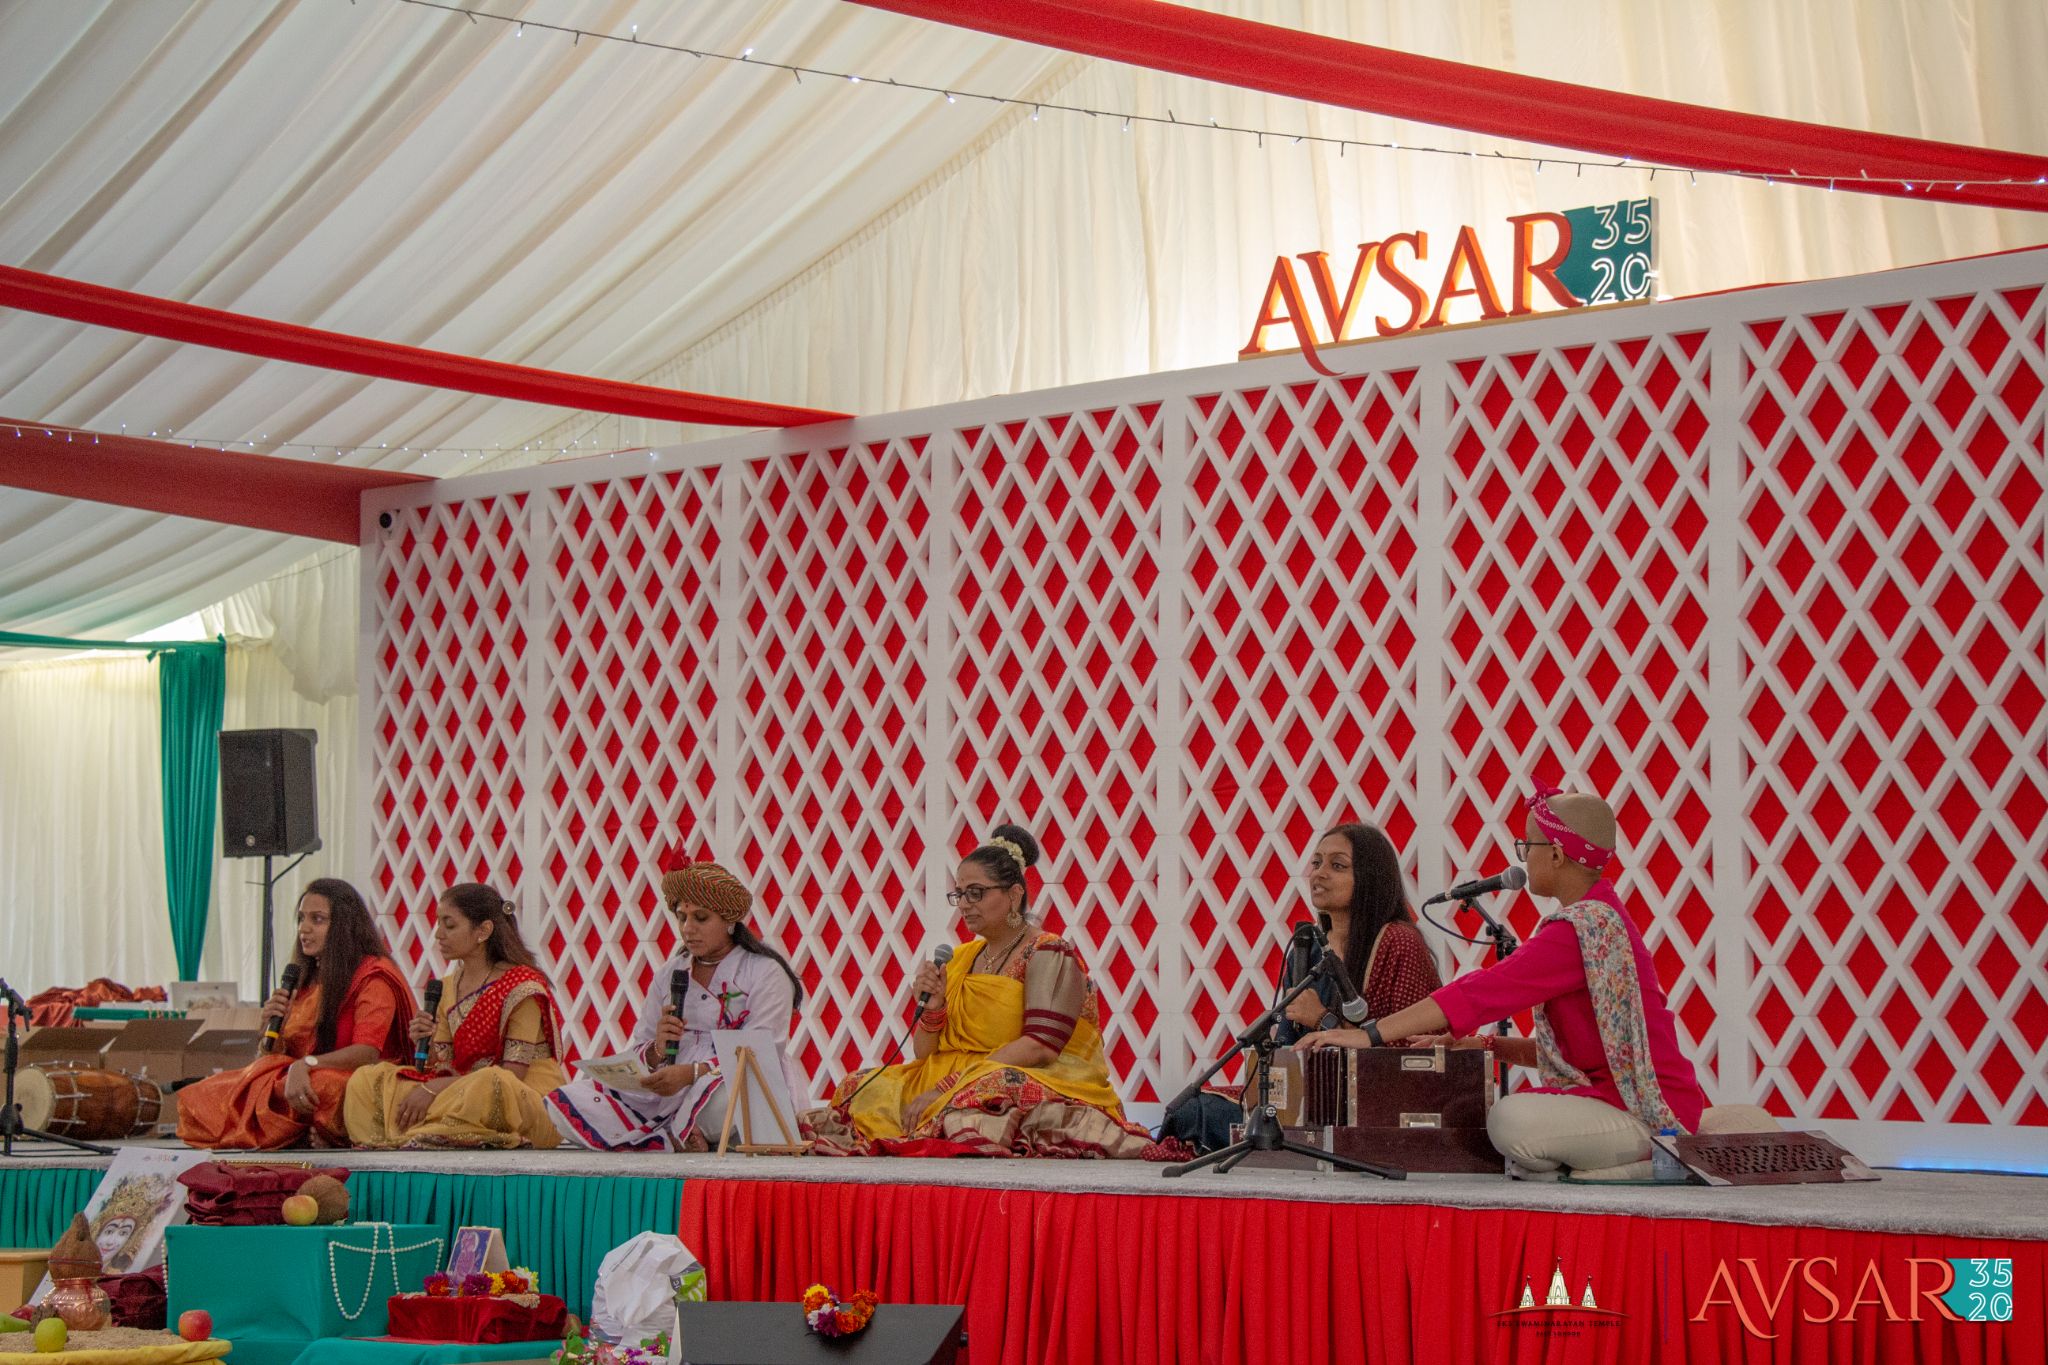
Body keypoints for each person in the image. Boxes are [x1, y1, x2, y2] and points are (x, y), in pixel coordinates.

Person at [1304, 783, 1708, 1181]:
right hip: (1618, 1102)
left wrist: (1368, 1035)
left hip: (1645, 1113)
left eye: (1527, 847)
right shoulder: (1598, 921)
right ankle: (1601, 1168)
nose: (1522, 858)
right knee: (1521, 1133)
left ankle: (1647, 1164)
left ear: (1555, 854)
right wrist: (1479, 1045)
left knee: (1509, 1121)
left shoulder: (1578, 931)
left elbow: (1481, 992)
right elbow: (1579, 1057)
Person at [805, 824, 1177, 1159]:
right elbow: (923, 1052)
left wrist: (951, 1087)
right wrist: (933, 1009)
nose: (964, 904)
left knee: (979, 1103)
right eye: (960, 894)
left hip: (1026, 1074)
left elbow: (1040, 1046)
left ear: (1014, 894)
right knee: (861, 1085)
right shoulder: (960, 958)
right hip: (956, 1075)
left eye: (976, 893)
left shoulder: (1047, 952)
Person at [545, 854, 807, 1150]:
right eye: (682, 917)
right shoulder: (670, 973)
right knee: (565, 1103)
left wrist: (691, 1074)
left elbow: (763, 1049)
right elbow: (641, 1043)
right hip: (668, 1085)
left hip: (731, 1081)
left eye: (701, 918)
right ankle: (680, 1135)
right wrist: (657, 1050)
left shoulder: (764, 971)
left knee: (729, 1100)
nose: (687, 928)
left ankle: (679, 1134)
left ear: (730, 920)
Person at [176, 879, 415, 1149]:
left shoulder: (373, 977)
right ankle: (300, 1132)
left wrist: (306, 1065)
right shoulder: (303, 980)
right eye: (301, 919)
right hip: (296, 1077)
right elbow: (279, 1055)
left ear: (344, 927)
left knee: (322, 1085)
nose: (304, 928)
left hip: (358, 1081)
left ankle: (304, 1133)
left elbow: (366, 1053)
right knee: (205, 1092)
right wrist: (271, 1028)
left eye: (318, 919)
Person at [343, 883, 567, 1149]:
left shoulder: (522, 987)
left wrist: (434, 1089)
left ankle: (437, 1130)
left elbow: (513, 1075)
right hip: (460, 1092)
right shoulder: (448, 987)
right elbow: (447, 1066)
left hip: (523, 1100)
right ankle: (423, 1132)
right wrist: (426, 1043)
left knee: (491, 1081)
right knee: (369, 1078)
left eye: (449, 925)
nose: (438, 934)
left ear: (483, 931)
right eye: (438, 924)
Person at [1278, 822, 1442, 1043]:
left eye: (1337, 865)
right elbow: (1286, 1043)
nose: (1319, 873)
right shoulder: (1306, 949)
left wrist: (1323, 1020)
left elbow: (1412, 1047)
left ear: (1370, 877)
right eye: (1316, 863)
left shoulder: (1399, 942)